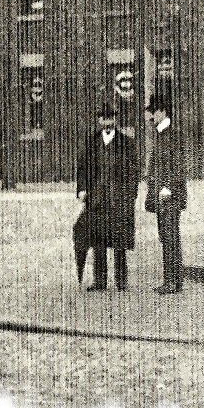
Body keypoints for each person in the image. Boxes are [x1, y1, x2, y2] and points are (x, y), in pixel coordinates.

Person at [73, 106, 139, 292]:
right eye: (104, 119)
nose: (108, 122)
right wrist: (82, 189)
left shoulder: (126, 143)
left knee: (119, 241)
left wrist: (129, 196)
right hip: (97, 199)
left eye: (111, 118)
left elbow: (133, 172)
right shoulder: (92, 142)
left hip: (118, 199)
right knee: (98, 240)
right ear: (99, 121)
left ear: (115, 120)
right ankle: (100, 281)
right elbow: (83, 168)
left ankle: (121, 280)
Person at [145, 94, 187, 295]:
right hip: (162, 195)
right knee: (166, 236)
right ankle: (172, 280)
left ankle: (173, 281)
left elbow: (177, 165)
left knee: (170, 237)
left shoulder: (172, 134)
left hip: (170, 195)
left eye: (153, 112)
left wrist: (168, 187)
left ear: (162, 111)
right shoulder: (161, 133)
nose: (151, 117)